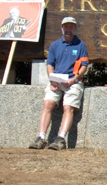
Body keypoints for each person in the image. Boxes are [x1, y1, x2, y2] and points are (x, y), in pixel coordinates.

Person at [29, 17, 88, 150]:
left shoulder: (80, 45)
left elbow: (84, 65)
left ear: (75, 28)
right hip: (56, 80)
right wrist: (52, 80)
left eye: (71, 27)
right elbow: (50, 64)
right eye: (66, 26)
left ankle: (61, 138)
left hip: (73, 81)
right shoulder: (55, 45)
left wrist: (74, 79)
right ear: (62, 28)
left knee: (68, 107)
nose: (68, 29)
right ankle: (41, 137)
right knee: (48, 104)